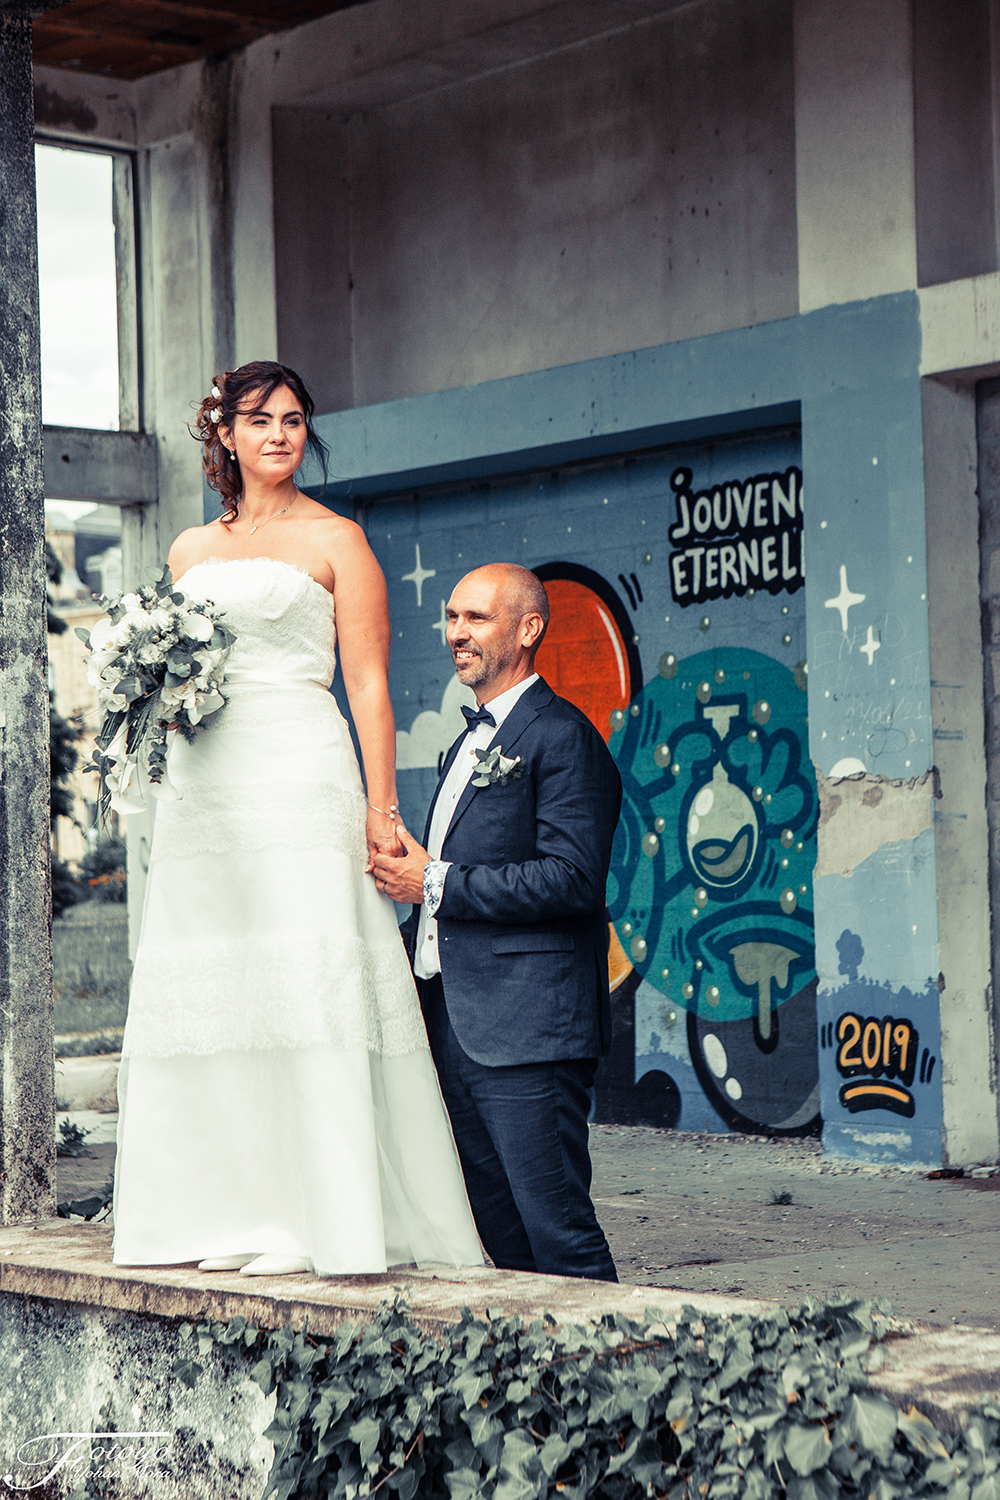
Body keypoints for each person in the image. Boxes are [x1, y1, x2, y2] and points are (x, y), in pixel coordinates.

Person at [112, 360, 482, 1278]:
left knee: (303, 979)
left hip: (302, 771)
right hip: (206, 784)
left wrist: (382, 811)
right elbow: (170, 678)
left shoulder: (338, 540)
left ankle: (319, 1220)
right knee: (218, 986)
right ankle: (221, 1213)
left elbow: (368, 685)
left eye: (293, 419)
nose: (279, 434)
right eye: (260, 419)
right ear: (225, 435)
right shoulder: (188, 551)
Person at [373, 564, 621, 1282]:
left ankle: (616, 1352)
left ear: (528, 628)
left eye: (477, 618)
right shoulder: (465, 745)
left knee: (559, 1233)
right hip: (454, 1024)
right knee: (503, 1238)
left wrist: (434, 882)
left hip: (529, 1032)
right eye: (452, 617)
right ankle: (539, 1357)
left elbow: (572, 878)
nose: (457, 632)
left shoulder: (563, 737)